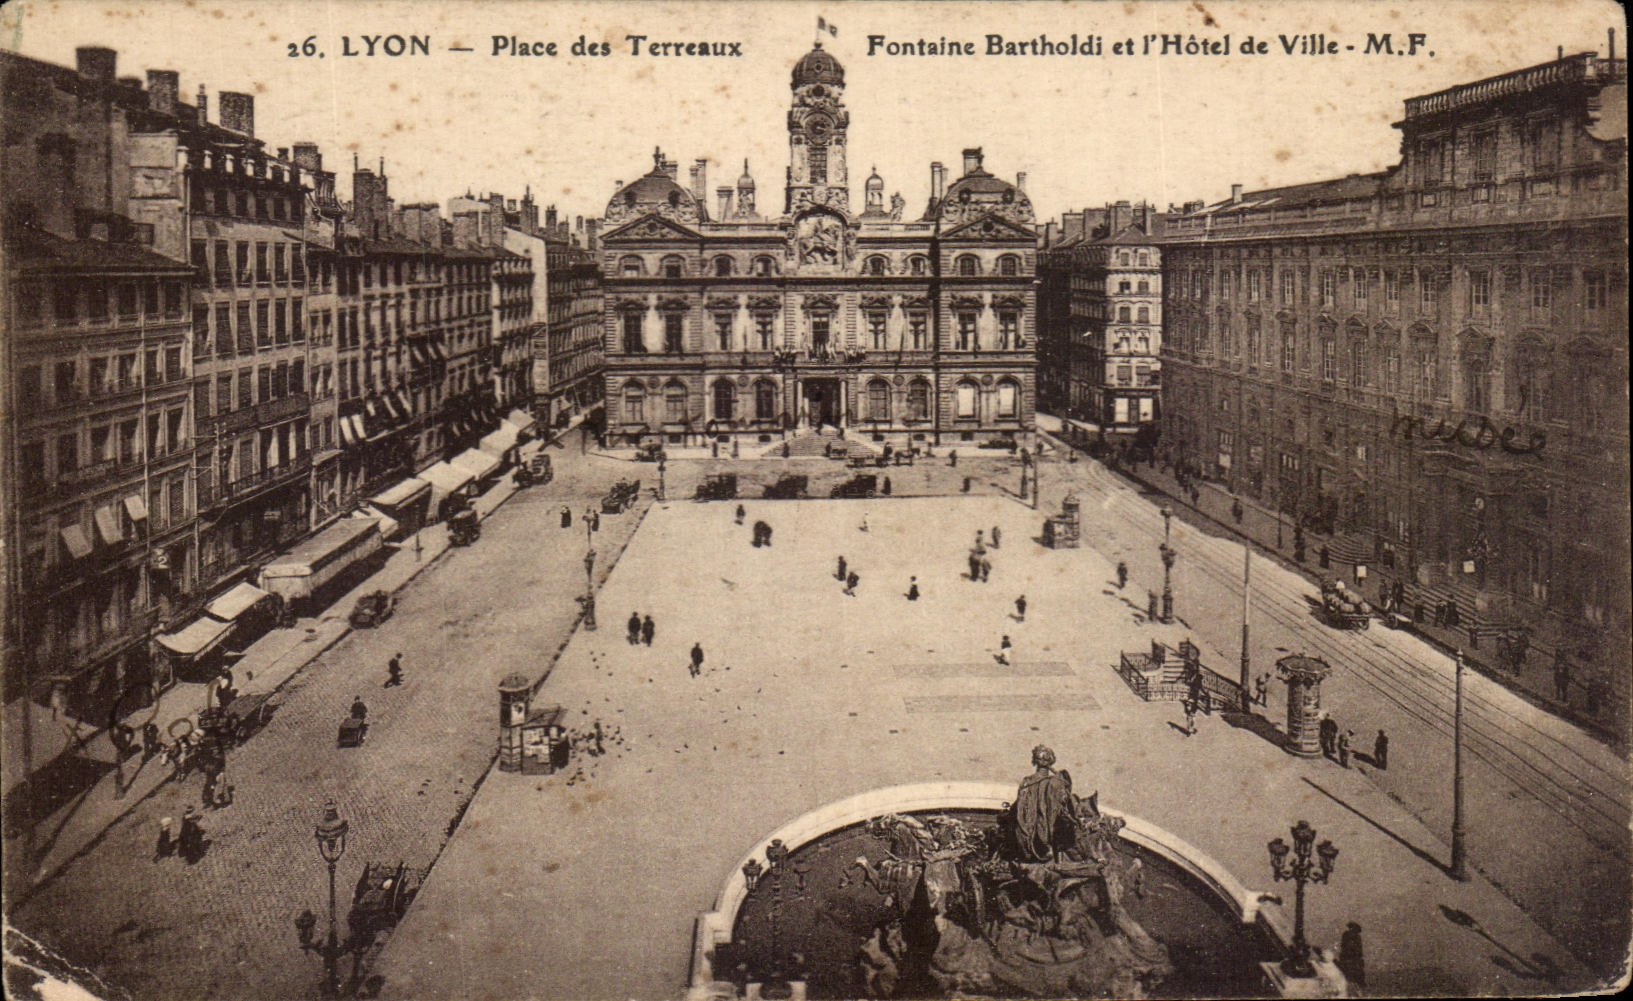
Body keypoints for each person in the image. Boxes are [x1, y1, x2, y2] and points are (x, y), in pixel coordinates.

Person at [1014, 746, 1074, 861]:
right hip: (1031, 815)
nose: (1043, 761)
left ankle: (1049, 847)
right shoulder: (1028, 781)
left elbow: (1064, 792)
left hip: (1047, 814)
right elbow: (1022, 801)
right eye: (1040, 758)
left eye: (1046, 759)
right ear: (1035, 760)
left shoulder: (1054, 781)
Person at [1337, 922, 1365, 994]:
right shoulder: (1352, 936)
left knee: (1350, 974)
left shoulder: (1348, 935)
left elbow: (1345, 946)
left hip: (1351, 958)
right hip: (1351, 958)